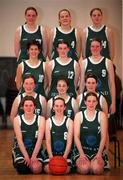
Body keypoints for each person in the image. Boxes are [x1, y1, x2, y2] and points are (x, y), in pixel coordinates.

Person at [74, 92, 108, 175]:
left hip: (97, 151)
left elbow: (104, 137)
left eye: (93, 101)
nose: (91, 103)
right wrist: (81, 154)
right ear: (85, 102)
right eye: (89, 101)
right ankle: (80, 164)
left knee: (96, 170)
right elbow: (76, 137)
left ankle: (99, 163)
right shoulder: (79, 115)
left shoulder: (102, 115)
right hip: (82, 150)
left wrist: (99, 154)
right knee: (84, 169)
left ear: (97, 102)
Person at [79, 38, 116, 115]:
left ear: (101, 47)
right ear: (90, 48)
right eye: (93, 46)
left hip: (105, 97)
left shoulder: (108, 62)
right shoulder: (84, 62)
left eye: (97, 46)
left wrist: (113, 103)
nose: (95, 48)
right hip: (90, 100)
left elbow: (112, 84)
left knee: (105, 123)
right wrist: (80, 99)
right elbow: (82, 83)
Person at [12, 96, 45, 174]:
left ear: (34, 107)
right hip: (21, 149)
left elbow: (40, 140)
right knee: (23, 169)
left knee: (36, 169)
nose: (28, 108)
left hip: (35, 150)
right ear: (22, 107)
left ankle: (36, 164)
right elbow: (19, 140)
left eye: (31, 105)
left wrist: (33, 157)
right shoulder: (17, 120)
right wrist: (26, 156)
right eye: (26, 105)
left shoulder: (41, 119)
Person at [44, 97, 73, 174]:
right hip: (51, 153)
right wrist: (51, 157)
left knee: (65, 170)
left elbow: (69, 142)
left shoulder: (69, 121)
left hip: (65, 154)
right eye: (56, 106)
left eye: (61, 106)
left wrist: (64, 158)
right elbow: (48, 141)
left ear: (64, 107)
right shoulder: (48, 121)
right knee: (48, 169)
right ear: (53, 107)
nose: (59, 108)